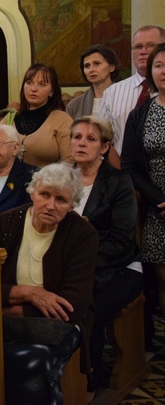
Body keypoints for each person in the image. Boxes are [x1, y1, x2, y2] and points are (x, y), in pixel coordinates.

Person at [0, 163, 98, 403]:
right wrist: (27, 293)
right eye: (45, 194)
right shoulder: (6, 223)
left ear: (71, 205)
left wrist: (8, 309)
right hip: (3, 323)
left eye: (61, 199)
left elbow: (72, 305)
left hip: (60, 326)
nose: (50, 205)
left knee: (33, 362)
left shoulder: (82, 234)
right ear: (32, 192)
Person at [70, 115, 142, 390]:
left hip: (119, 267)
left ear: (104, 147)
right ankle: (59, 374)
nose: (82, 143)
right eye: (77, 137)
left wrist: (79, 262)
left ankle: (90, 377)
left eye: (90, 139)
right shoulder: (59, 176)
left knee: (89, 308)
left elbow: (122, 241)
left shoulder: (119, 182)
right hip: (73, 267)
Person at [122, 42, 165, 314]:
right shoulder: (140, 114)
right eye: (159, 65)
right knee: (162, 279)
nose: (164, 71)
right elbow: (130, 164)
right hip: (157, 208)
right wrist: (160, 200)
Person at [100, 25, 165, 163]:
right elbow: (103, 138)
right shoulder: (113, 92)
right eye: (138, 47)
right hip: (122, 173)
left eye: (150, 45)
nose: (143, 51)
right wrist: (121, 173)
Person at [3, 64, 73, 167]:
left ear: (52, 91)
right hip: (11, 181)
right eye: (29, 83)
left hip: (48, 181)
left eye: (42, 84)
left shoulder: (62, 120)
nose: (34, 89)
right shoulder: (10, 118)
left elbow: (70, 161)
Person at [65, 44, 121, 120]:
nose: (91, 70)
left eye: (97, 64)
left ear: (111, 67)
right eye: (87, 66)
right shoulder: (75, 105)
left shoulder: (125, 98)